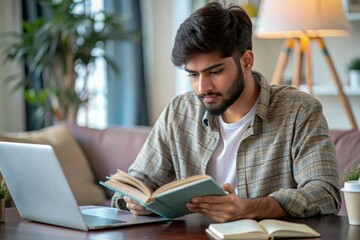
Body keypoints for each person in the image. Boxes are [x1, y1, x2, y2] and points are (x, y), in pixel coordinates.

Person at [112, 2, 341, 222]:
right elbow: (136, 182)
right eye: (193, 74)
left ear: (246, 61)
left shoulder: (299, 110)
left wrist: (249, 208)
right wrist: (134, 200)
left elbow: (325, 193)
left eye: (215, 72)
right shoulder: (179, 112)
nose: (202, 87)